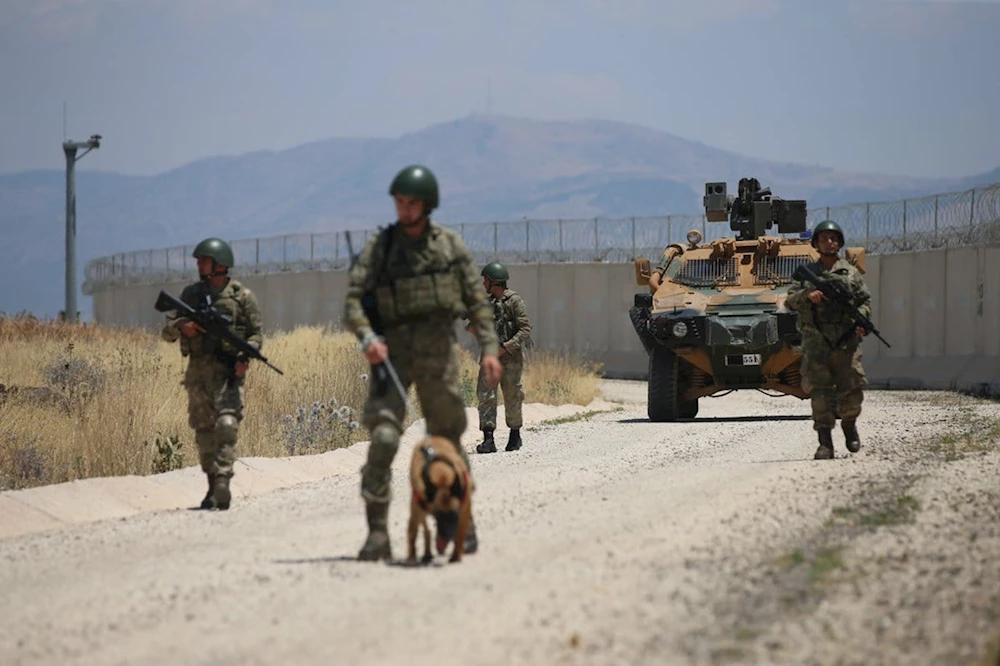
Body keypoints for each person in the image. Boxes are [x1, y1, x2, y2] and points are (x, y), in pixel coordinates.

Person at [344, 164, 502, 562]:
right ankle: (377, 533)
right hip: (392, 356)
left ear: (427, 205)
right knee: (383, 438)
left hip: (438, 354)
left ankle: (463, 522)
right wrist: (367, 337)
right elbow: (353, 302)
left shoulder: (449, 246)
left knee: (447, 441)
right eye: (399, 201)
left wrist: (489, 348)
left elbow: (477, 302)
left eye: (412, 202)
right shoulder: (381, 247)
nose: (404, 208)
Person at [161, 237, 263, 509]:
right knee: (204, 431)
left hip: (228, 373)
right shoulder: (190, 295)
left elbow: (256, 335)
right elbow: (166, 331)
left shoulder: (242, 297)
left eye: (204, 261)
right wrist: (182, 326)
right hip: (198, 375)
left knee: (226, 425)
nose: (199, 265)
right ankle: (211, 485)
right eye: (199, 261)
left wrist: (246, 356)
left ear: (220, 264)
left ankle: (223, 481)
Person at [786, 220, 872, 460]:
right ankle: (825, 443)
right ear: (816, 244)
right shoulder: (807, 274)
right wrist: (808, 294)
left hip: (845, 341)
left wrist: (861, 320)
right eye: (823, 239)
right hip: (816, 341)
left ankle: (849, 424)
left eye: (833, 238)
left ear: (839, 243)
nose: (829, 243)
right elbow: (790, 301)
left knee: (852, 389)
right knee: (820, 393)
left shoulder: (850, 273)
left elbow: (865, 302)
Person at [472, 262, 532, 453]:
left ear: (494, 281)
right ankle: (488, 439)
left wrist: (506, 347)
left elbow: (525, 329)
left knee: (513, 395)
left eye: (485, 280)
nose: (483, 284)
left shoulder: (514, 301)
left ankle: (515, 436)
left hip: (511, 359)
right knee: (486, 396)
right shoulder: (486, 303)